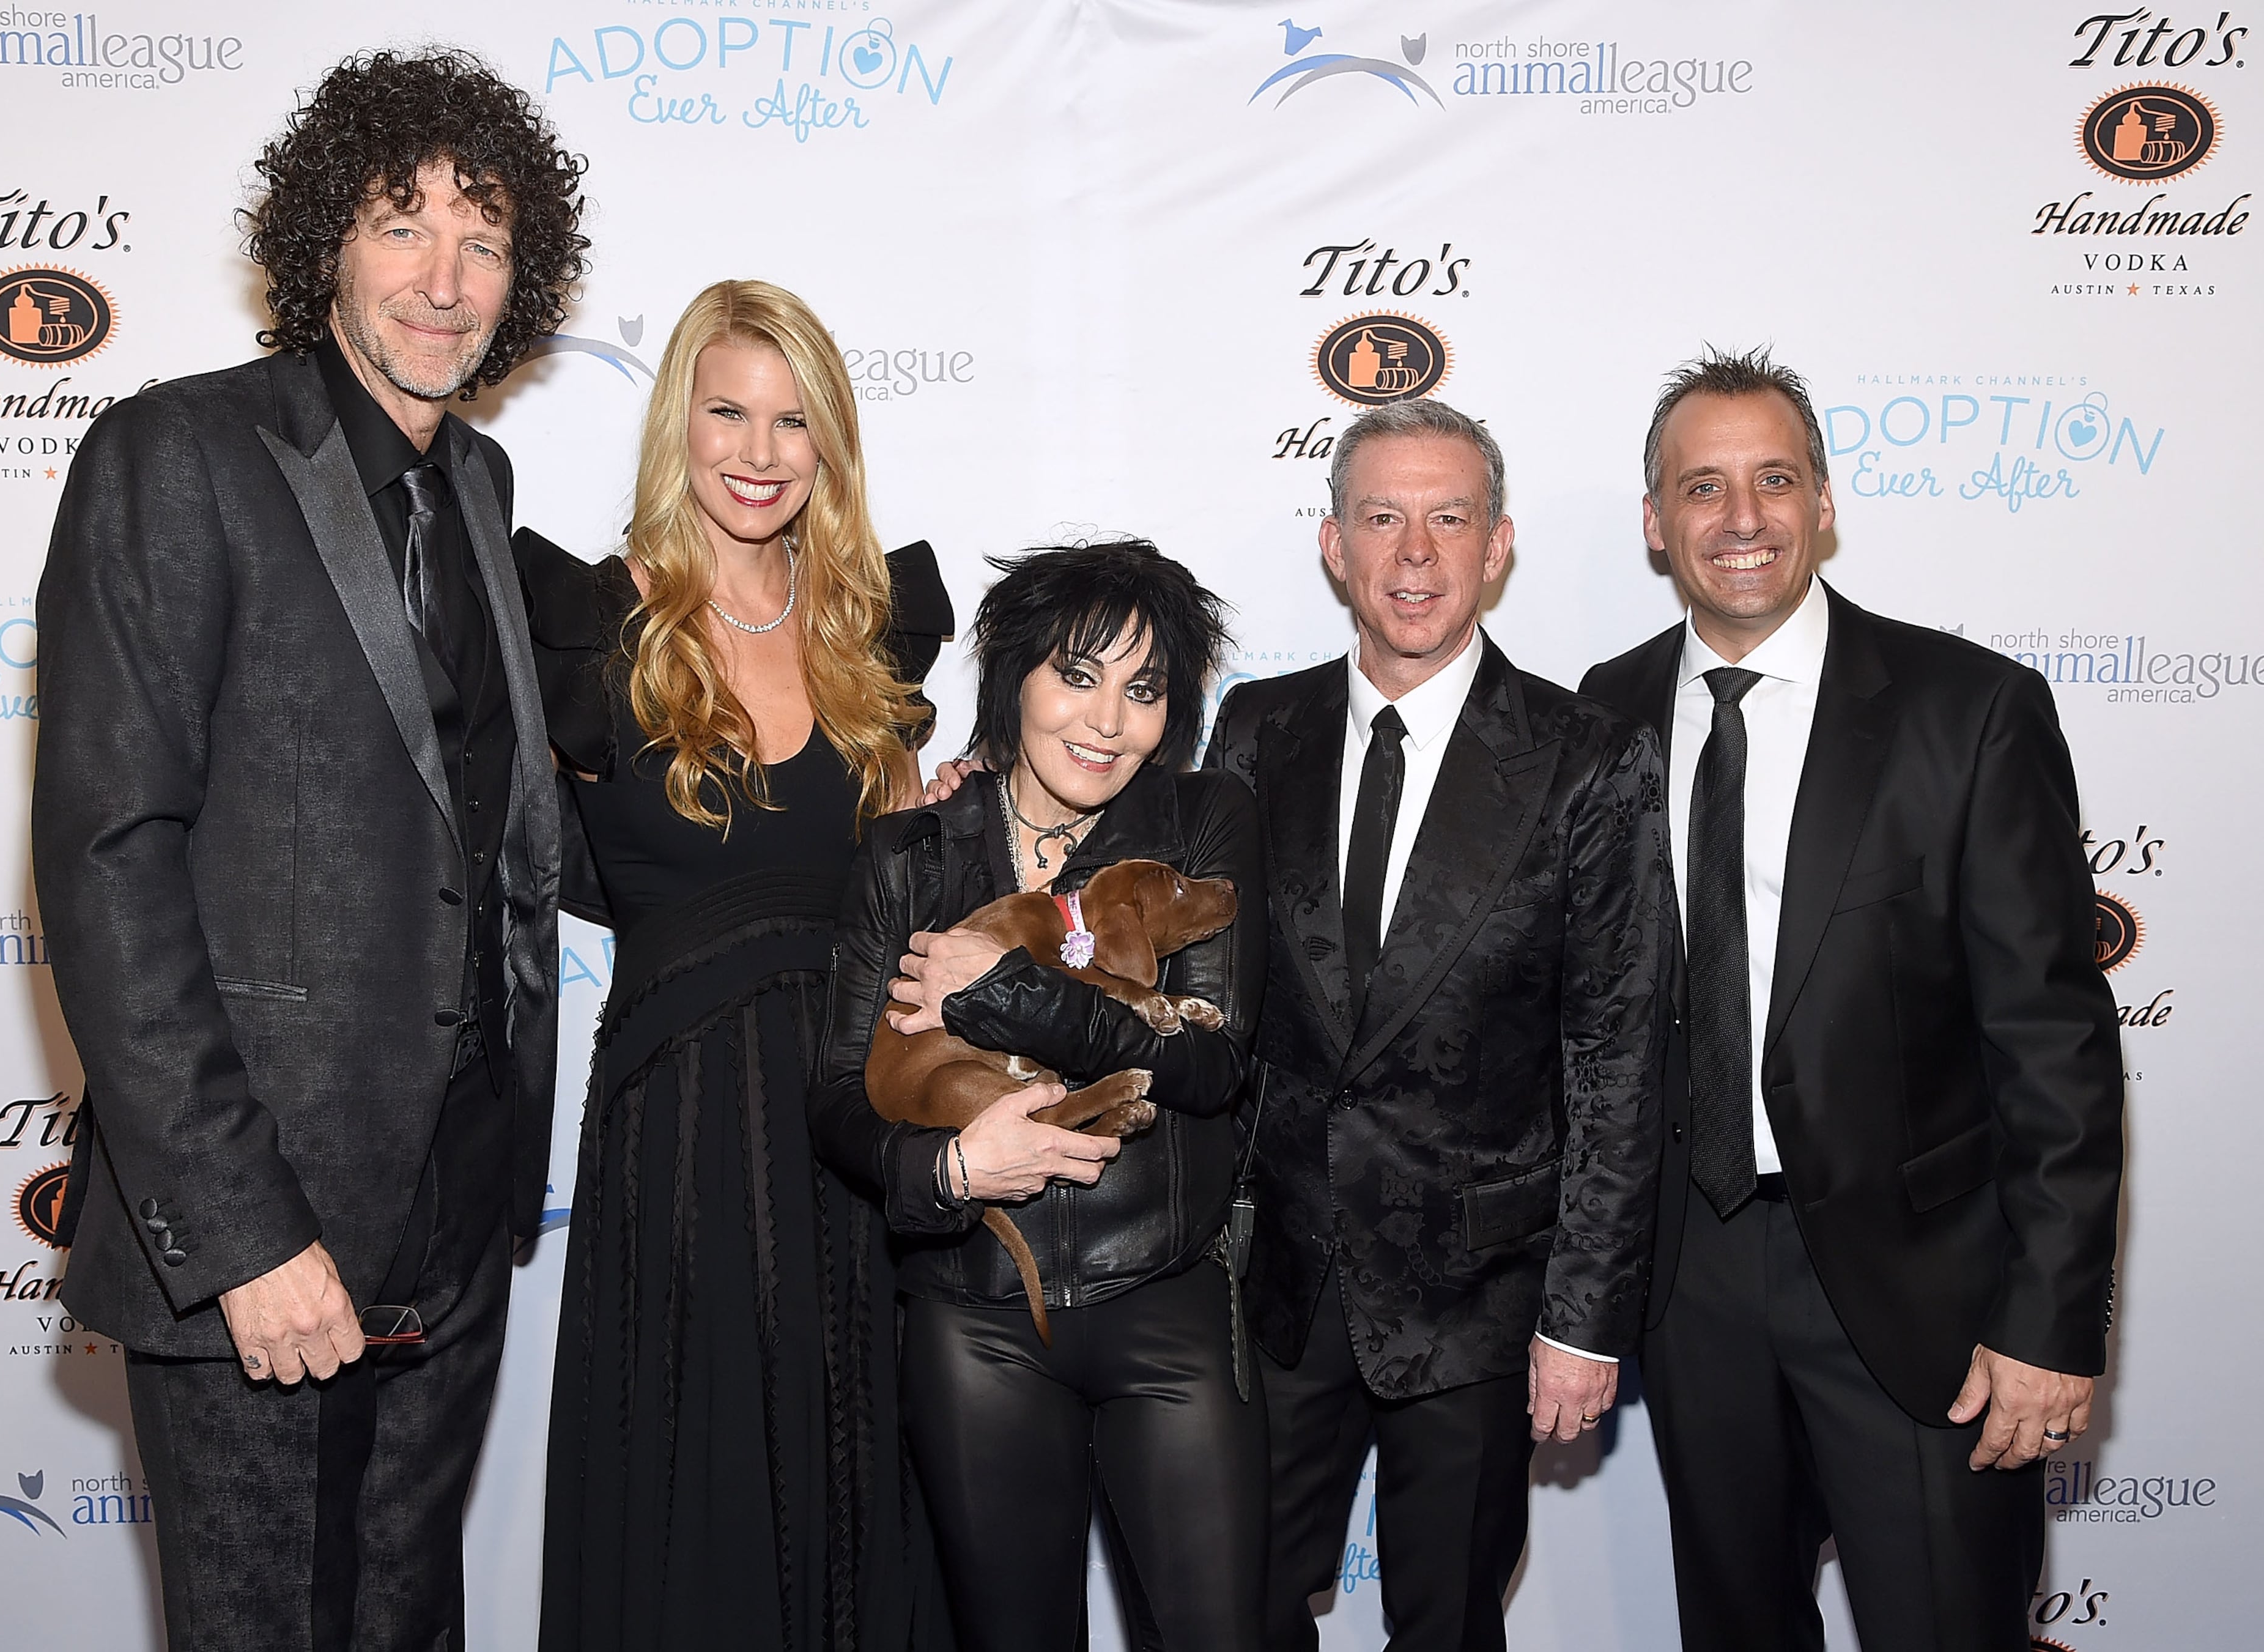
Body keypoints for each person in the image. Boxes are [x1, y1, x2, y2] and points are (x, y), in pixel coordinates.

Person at [31, 50, 587, 1651]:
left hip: (458, 1209)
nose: (444, 275)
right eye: (398, 223)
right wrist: (246, 1234)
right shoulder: (176, 454)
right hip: (265, 1222)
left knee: (405, 1623)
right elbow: (110, 857)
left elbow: (478, 823)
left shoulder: (477, 482)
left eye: (483, 238)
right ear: (321, 245)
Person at [1579, 347, 2125, 1651]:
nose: (1743, 517)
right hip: (1689, 1276)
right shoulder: (1603, 713)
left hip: (1922, 1286)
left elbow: (2052, 1039)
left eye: (1775, 478)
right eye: (1701, 487)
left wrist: (2050, 1323)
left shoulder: (1970, 709)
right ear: (1656, 525)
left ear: (1825, 503)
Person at [517, 280, 955, 1652]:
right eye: (728, 412)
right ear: (679, 424)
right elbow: (505, 860)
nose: (759, 452)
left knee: (860, 1462)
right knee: (691, 1482)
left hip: (850, 1118)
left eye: (792, 420)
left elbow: (890, 886)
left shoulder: (870, 637)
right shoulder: (589, 627)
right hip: (681, 1127)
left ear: (830, 444)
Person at [1202, 397, 1670, 1652]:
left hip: (1481, 1294)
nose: (1415, 553)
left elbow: (1618, 1055)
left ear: (1497, 544)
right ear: (1333, 544)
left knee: (1450, 1625)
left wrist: (1581, 1317)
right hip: (1279, 1285)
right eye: (1383, 517)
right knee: (1230, 1609)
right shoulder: (1256, 728)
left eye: (1448, 518)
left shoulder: (1587, 755)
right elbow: (1201, 985)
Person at [812, 541, 1267, 1652]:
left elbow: (1212, 1063)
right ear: (1013, 676)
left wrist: (1005, 991)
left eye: (1145, 689)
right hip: (974, 1322)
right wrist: (952, 1171)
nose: (1108, 721)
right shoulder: (910, 852)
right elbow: (836, 1095)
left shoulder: (1201, 825)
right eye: (1078, 675)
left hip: (1166, 1308)